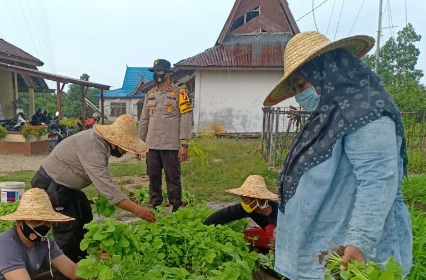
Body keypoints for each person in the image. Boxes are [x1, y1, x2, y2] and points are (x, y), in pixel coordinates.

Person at [263, 31, 413, 280]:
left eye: (301, 83)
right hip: (319, 250)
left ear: (329, 70)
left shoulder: (367, 111)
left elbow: (379, 182)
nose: (299, 95)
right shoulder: (332, 112)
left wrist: (359, 244)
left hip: (343, 256)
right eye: (294, 87)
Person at [31, 114, 156, 262]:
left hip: (66, 185)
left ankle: (82, 261)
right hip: (51, 183)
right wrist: (138, 210)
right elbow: (107, 188)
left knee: (84, 217)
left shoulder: (100, 144)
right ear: (114, 141)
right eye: (125, 147)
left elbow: (102, 179)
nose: (126, 151)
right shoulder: (93, 147)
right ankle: (64, 270)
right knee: (67, 229)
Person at [138, 59, 193, 211]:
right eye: (155, 72)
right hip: (152, 144)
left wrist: (184, 144)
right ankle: (155, 205)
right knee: (153, 176)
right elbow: (144, 120)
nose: (157, 74)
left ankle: (175, 206)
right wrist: (139, 143)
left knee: (172, 177)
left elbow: (186, 118)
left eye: (160, 71)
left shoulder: (179, 93)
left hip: (170, 144)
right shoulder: (149, 94)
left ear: (168, 73)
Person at [203, 175, 278, 252]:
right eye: (242, 198)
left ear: (257, 199)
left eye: (245, 199)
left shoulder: (280, 213)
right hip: (268, 235)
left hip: (283, 237)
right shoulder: (250, 208)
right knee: (245, 236)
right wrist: (203, 228)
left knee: (271, 231)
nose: (243, 202)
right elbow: (223, 215)